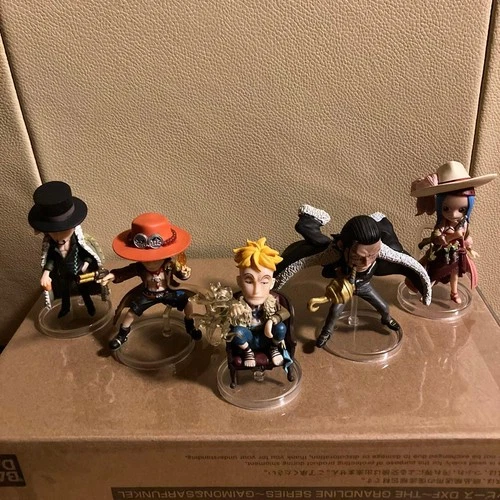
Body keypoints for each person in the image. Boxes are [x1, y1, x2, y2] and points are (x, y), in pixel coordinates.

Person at [275, 206, 432, 348]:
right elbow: (306, 261)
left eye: (373, 255)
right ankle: (326, 333)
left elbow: (410, 264)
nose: (366, 262)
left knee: (384, 307)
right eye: (359, 256)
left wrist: (424, 286)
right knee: (334, 313)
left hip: (364, 286)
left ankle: (386, 319)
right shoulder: (333, 255)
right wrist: (339, 277)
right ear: (343, 247)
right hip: (344, 289)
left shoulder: (384, 254)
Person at [100, 212, 202, 351]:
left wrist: (184, 273)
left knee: (187, 303)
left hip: (169, 292)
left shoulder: (169, 264)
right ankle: (122, 335)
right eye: (146, 260)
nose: (151, 263)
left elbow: (180, 273)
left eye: (156, 259)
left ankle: (190, 326)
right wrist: (112, 275)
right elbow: (125, 272)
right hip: (148, 294)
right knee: (131, 313)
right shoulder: (140, 267)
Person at [411, 161, 497, 304]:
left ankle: (454, 293)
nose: (454, 214)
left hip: (456, 255)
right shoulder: (442, 225)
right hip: (440, 254)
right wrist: (450, 237)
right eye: (446, 209)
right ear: (440, 206)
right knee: (434, 274)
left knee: (454, 275)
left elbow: (466, 237)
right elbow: (437, 237)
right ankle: (427, 290)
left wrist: (470, 248)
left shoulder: (464, 224)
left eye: (461, 210)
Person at [28, 181, 102, 317]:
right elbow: (50, 260)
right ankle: (65, 309)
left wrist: (86, 265)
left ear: (73, 226)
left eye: (63, 230)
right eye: (53, 232)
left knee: (84, 291)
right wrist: (46, 273)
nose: (58, 236)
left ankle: (90, 307)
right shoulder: (52, 246)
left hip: (78, 270)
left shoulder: (80, 243)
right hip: (62, 274)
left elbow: (88, 255)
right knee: (64, 293)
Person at [228, 237, 290, 368]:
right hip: (248, 338)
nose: (256, 291)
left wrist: (272, 320)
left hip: (268, 337)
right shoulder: (237, 303)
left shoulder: (272, 302)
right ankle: (248, 352)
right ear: (239, 282)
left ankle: (274, 348)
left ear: (272, 283)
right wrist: (231, 311)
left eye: (264, 282)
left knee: (281, 327)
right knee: (237, 332)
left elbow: (285, 312)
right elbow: (224, 317)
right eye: (249, 281)